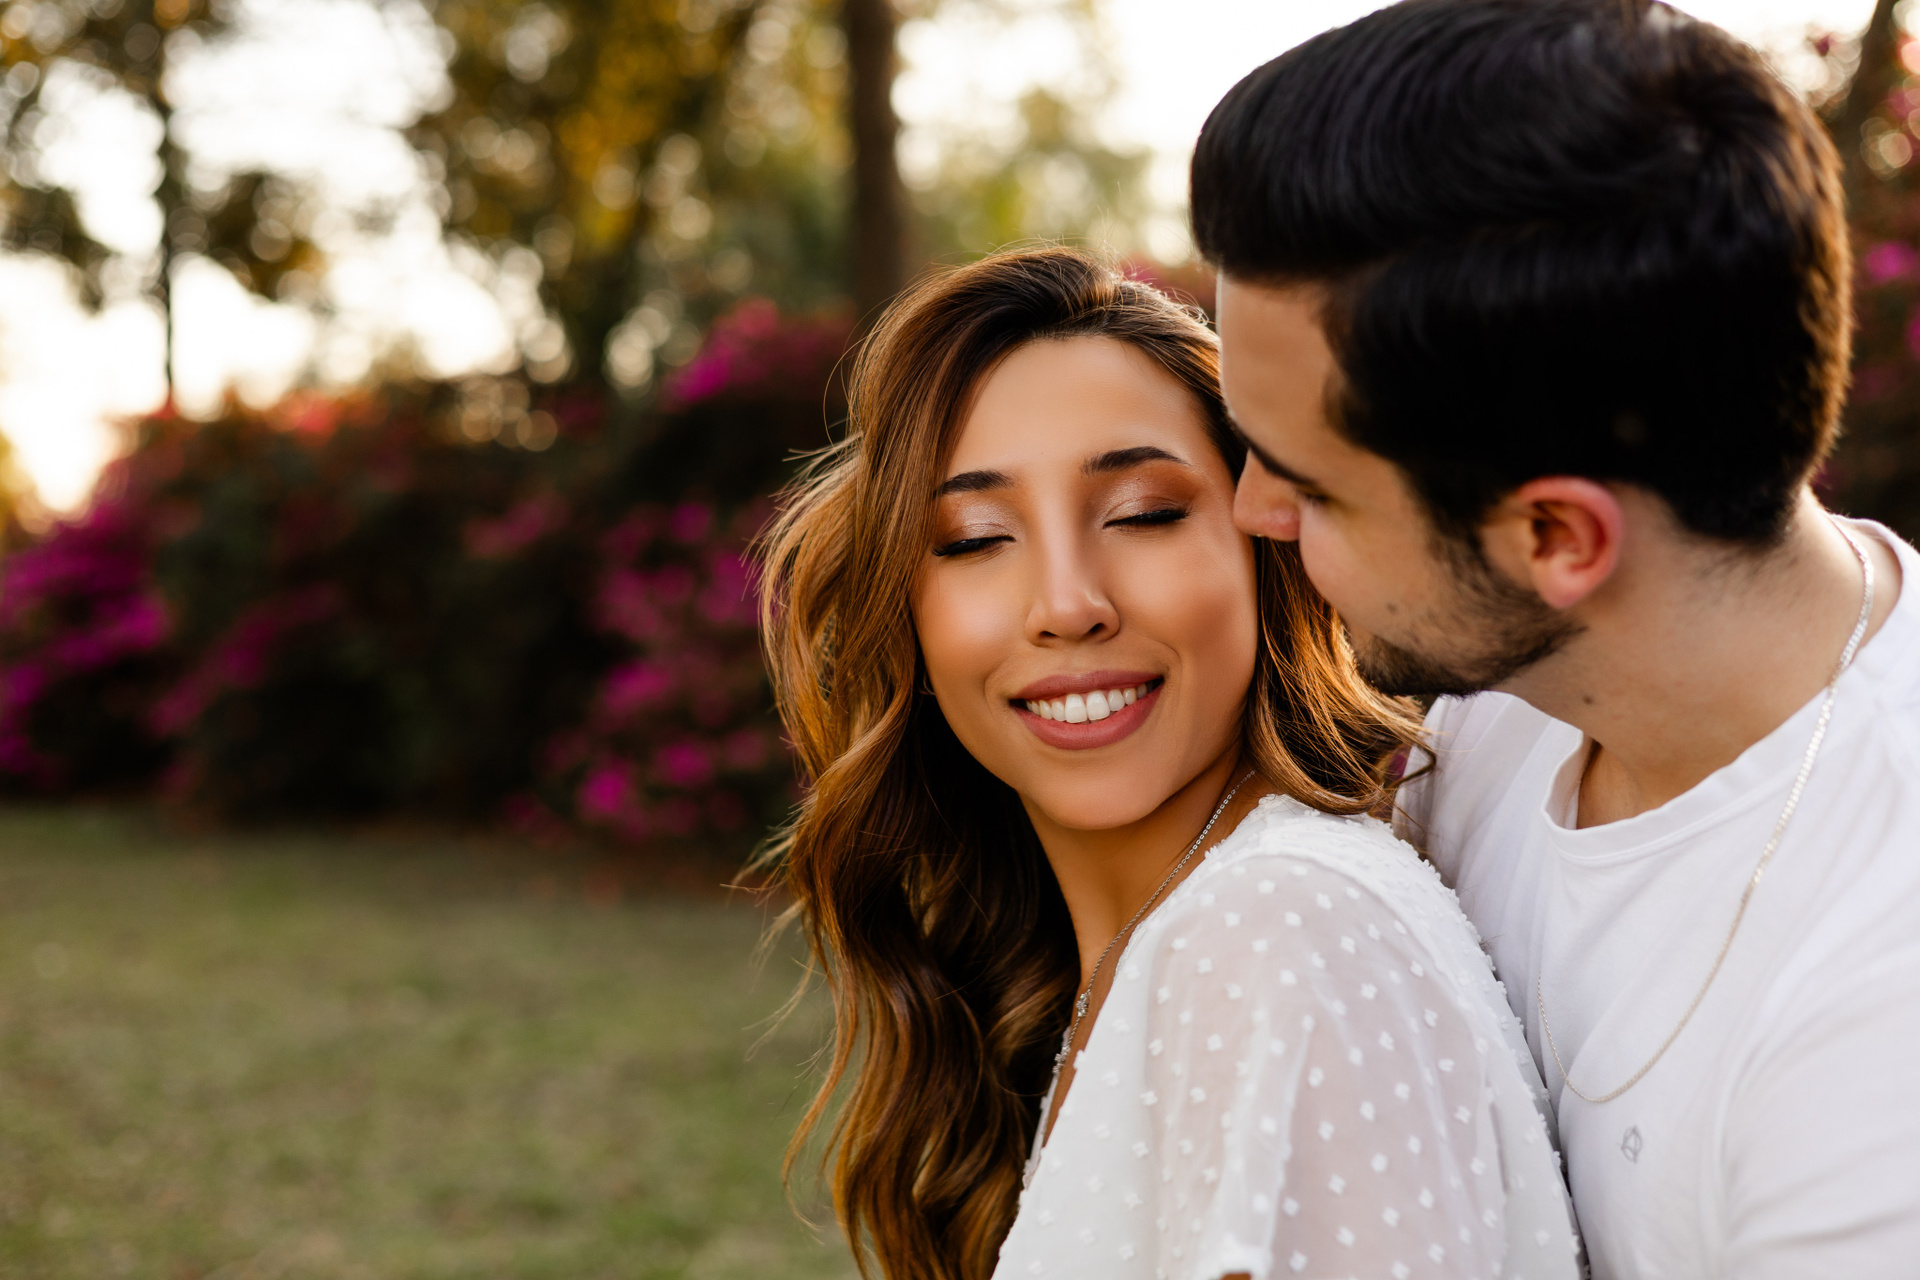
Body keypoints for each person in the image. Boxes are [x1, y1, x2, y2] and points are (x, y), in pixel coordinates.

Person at [1192, 1, 1920, 1276]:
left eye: (1311, 486)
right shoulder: (1501, 701)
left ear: (1557, 537)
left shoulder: (1879, 1025)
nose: (1252, 510)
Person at [755, 246, 1581, 1280]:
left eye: (1142, 513)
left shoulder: (1276, 929)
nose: (1068, 603)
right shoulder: (1137, 955)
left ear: (1263, 546)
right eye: (973, 537)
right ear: (907, 613)